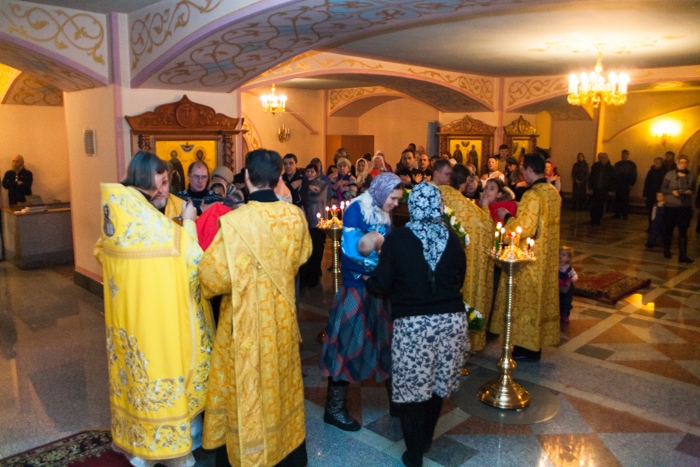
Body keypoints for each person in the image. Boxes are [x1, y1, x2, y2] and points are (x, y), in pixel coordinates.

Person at [93, 151, 214, 467]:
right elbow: (194, 259)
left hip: (130, 318)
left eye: (166, 183)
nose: (163, 190)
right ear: (145, 180)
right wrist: (189, 223)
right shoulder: (154, 225)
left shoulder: (119, 213)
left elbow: (101, 250)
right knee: (164, 372)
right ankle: (170, 449)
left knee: (137, 380)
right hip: (159, 318)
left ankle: (139, 446)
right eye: (159, 183)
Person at [198, 149, 312, 467]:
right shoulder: (295, 217)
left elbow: (212, 277)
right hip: (281, 321)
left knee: (246, 387)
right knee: (280, 383)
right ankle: (285, 449)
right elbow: (302, 255)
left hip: (244, 323)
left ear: (246, 176)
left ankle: (248, 453)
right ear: (278, 178)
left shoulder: (234, 223)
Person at [366, 182, 467, 467]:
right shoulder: (452, 237)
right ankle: (425, 440)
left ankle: (413, 454)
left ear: (412, 206)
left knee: (411, 393)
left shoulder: (398, 239)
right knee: (437, 386)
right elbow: (460, 277)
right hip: (452, 322)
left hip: (414, 326)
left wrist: (369, 281)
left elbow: (382, 285)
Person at [320, 173, 403, 431]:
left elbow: (385, 249)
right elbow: (351, 251)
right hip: (357, 288)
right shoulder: (357, 209)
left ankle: (397, 403)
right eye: (393, 198)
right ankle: (334, 409)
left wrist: (383, 269)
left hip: (378, 286)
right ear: (381, 192)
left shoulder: (384, 211)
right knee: (346, 344)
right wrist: (377, 269)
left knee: (386, 341)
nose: (396, 204)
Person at [493, 153, 561, 361]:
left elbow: (525, 228)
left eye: (524, 171)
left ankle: (526, 348)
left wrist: (506, 217)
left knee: (526, 302)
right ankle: (534, 346)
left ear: (530, 170)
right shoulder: (553, 192)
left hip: (529, 259)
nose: (523, 174)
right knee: (539, 301)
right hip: (547, 256)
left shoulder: (533, 195)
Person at [438, 164, 493, 351]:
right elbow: (486, 229)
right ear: (465, 182)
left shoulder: (437, 193)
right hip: (457, 265)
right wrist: (485, 207)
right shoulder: (467, 207)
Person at [661, 154, 696, 263]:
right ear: (677, 163)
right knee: (669, 229)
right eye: (681, 162)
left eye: (685, 163)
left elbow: (694, 189)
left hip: (684, 207)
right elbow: (663, 188)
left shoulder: (691, 175)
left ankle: (683, 255)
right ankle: (667, 250)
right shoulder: (670, 174)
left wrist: (690, 191)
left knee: (683, 231)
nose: (683, 165)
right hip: (671, 206)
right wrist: (672, 192)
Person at [300, 163, 329, 288]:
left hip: (317, 220)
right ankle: (306, 276)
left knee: (316, 248)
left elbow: (317, 197)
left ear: (317, 173)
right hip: (306, 219)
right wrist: (309, 188)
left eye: (312, 171)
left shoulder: (323, 183)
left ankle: (314, 275)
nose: (309, 174)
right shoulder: (303, 183)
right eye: (307, 171)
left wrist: (305, 188)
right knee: (306, 249)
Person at [588, 152, 614, 225]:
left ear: (607, 159)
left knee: (601, 205)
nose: (604, 159)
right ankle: (593, 218)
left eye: (606, 158)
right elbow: (591, 177)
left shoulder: (610, 168)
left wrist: (611, 190)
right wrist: (590, 188)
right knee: (594, 205)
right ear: (600, 158)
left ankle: (598, 219)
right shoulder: (595, 166)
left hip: (604, 189)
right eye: (603, 158)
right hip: (595, 188)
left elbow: (612, 180)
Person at [613, 149, 637, 219]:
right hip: (618, 184)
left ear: (628, 155)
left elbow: (634, 175)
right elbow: (614, 175)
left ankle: (624, 214)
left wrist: (632, 184)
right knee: (618, 199)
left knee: (625, 200)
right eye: (623, 154)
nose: (624, 156)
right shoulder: (617, 164)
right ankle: (617, 213)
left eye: (625, 154)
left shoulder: (632, 164)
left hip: (626, 184)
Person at [558, 246, 578, 324]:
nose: (560, 256)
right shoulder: (555, 266)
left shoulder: (568, 268)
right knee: (558, 302)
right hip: (557, 288)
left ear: (568, 258)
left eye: (563, 255)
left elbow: (574, 275)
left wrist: (573, 278)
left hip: (566, 288)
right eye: (559, 254)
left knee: (566, 302)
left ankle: (565, 315)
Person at [643, 157, 665, 226]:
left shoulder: (664, 172)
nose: (656, 163)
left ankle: (658, 226)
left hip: (660, 195)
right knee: (651, 211)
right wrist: (645, 194)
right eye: (655, 162)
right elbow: (647, 183)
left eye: (658, 162)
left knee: (659, 212)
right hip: (651, 194)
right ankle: (650, 225)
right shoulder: (651, 172)